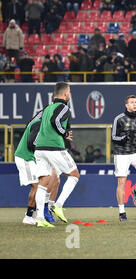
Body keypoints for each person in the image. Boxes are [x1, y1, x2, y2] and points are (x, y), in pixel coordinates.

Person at [34, 82, 80, 227]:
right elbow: (56, 121)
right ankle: (58, 205)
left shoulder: (47, 108)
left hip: (40, 148)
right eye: (70, 91)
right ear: (65, 93)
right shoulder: (64, 107)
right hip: (53, 148)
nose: (70, 94)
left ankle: (40, 218)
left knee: (42, 183)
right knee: (74, 175)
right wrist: (64, 133)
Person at [14, 111, 59, 225]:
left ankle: (33, 214)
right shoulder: (39, 124)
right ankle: (29, 216)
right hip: (25, 158)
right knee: (37, 186)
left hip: (30, 159)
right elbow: (31, 143)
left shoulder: (39, 123)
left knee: (41, 184)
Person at [111, 95, 136, 222]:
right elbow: (113, 137)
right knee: (121, 182)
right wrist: (123, 139)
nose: (134, 104)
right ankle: (122, 212)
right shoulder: (119, 119)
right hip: (121, 153)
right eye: (132, 102)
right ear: (126, 105)